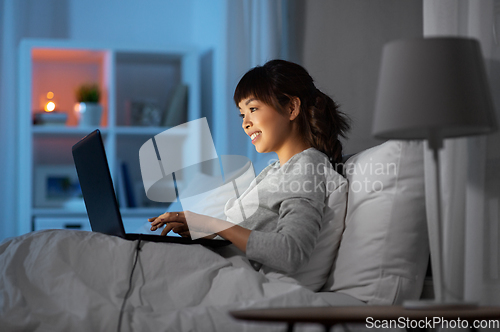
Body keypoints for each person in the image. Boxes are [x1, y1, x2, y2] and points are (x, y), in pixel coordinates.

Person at [149, 59, 350, 287]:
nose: (245, 123)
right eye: (242, 114)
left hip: (225, 280)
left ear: (292, 108)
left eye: (253, 109)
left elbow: (291, 252)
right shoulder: (276, 169)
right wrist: (203, 232)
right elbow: (250, 236)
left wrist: (214, 225)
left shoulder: (307, 168)